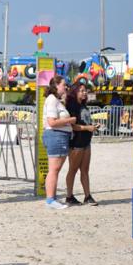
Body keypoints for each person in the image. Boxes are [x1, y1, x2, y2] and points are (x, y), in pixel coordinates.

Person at [42, 75, 76, 210]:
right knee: (54, 169)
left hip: (59, 136)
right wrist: (70, 120)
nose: (65, 87)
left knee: (55, 169)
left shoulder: (56, 100)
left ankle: (52, 197)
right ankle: (50, 199)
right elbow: (52, 122)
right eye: (63, 84)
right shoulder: (52, 100)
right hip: (56, 136)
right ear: (56, 86)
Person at [65, 81, 100, 206]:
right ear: (75, 92)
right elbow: (72, 126)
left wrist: (92, 127)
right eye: (82, 91)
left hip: (86, 141)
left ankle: (87, 196)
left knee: (85, 170)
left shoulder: (84, 106)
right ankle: (69, 196)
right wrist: (87, 128)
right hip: (76, 142)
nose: (85, 93)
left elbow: (85, 122)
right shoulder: (71, 106)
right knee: (73, 170)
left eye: (85, 91)